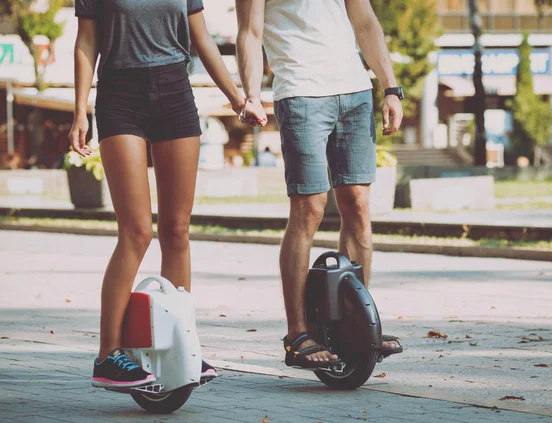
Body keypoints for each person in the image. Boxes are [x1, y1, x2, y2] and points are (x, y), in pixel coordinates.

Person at [69, 0, 266, 388]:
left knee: (177, 230)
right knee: (137, 231)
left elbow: (201, 38)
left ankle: (180, 344)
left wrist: (237, 98)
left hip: (176, 91)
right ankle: (108, 355)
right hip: (120, 95)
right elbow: (86, 42)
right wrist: (80, 111)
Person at [236, 0, 404, 369]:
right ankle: (297, 333)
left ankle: (359, 321)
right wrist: (251, 93)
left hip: (355, 92)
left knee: (358, 205)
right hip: (300, 92)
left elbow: (365, 21)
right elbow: (249, 31)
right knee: (309, 207)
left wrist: (391, 88)